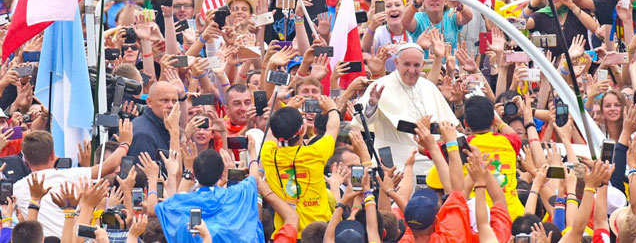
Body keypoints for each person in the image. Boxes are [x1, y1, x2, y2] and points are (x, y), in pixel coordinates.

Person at [14, 122, 132, 237]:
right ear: (52, 155)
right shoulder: (71, 176)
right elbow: (108, 166)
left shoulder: (16, 189)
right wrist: (125, 143)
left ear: (25, 161)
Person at [357, 43, 459, 173]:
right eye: (407, 64)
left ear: (422, 65)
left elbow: (448, 127)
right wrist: (372, 105)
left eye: (416, 65)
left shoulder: (429, 87)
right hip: (395, 164)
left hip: (429, 163)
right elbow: (363, 122)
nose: (411, 70)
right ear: (396, 63)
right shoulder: (381, 86)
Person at [260, 95, 339, 238]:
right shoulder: (316, 152)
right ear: (302, 130)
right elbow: (333, 128)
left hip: (285, 234)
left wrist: (288, 109)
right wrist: (332, 108)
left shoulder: (268, 154)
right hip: (319, 235)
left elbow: (270, 134)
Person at [155, 144, 264, 242]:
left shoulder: (178, 203)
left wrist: (152, 178)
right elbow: (255, 178)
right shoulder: (235, 194)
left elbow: (155, 208)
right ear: (222, 174)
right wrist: (252, 150)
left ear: (195, 175)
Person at [129, 81, 179, 161]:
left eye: (174, 101)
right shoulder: (143, 135)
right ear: (149, 102)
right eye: (164, 100)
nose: (171, 105)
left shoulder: (170, 126)